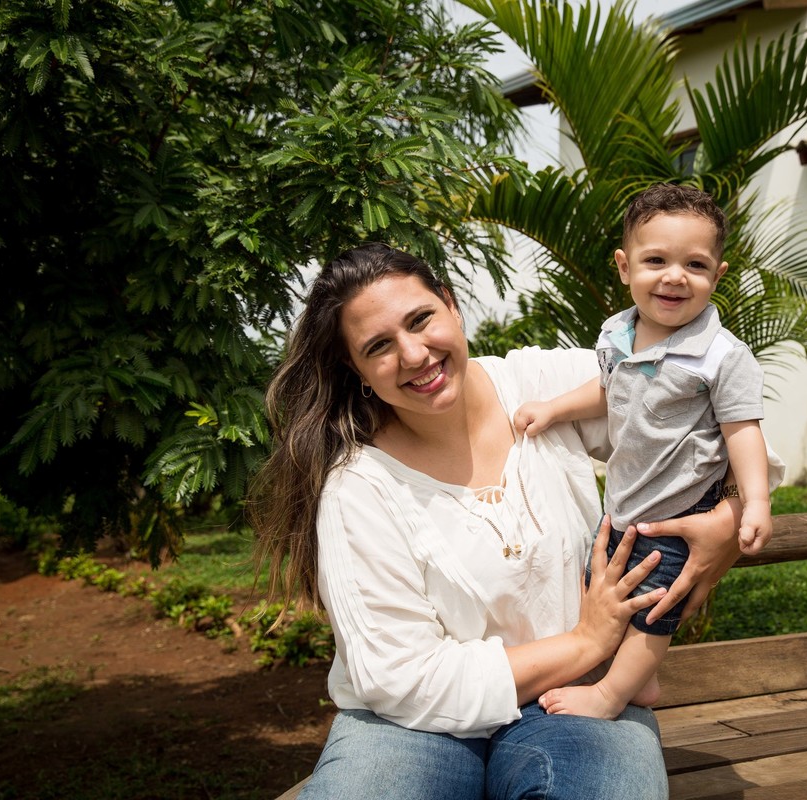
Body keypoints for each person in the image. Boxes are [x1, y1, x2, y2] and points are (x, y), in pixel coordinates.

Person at [249, 241, 759, 799]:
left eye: (422, 319)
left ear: (450, 304)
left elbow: (727, 421)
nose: (416, 354)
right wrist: (586, 645)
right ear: (357, 369)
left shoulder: (543, 384)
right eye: (379, 346)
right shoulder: (358, 487)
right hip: (409, 725)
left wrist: (729, 516)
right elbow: (400, 678)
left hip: (578, 703)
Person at [514, 183, 778, 720]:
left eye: (695, 265)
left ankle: (612, 696)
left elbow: (743, 431)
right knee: (600, 586)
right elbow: (606, 388)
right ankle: (644, 679)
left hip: (683, 514)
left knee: (657, 604)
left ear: (717, 276)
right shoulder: (616, 334)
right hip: (624, 505)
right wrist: (555, 409)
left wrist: (756, 503)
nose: (675, 276)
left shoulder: (722, 357)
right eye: (655, 259)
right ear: (624, 266)